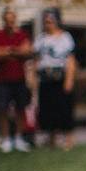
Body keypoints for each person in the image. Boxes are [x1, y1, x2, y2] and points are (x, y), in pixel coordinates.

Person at [34, 9, 77, 150]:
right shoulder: (41, 39)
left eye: (50, 21)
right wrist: (33, 77)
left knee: (64, 108)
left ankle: (68, 139)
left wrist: (69, 79)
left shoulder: (65, 37)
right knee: (48, 108)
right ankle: (51, 138)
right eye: (46, 22)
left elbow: (70, 59)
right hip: (45, 78)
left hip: (60, 76)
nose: (48, 24)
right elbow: (36, 59)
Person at [0, 8, 32, 153]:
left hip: (19, 78)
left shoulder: (22, 35)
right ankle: (6, 139)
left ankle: (19, 138)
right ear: (4, 21)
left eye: (12, 20)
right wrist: (15, 51)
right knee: (3, 109)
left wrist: (7, 51)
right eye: (7, 20)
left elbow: (27, 51)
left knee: (21, 108)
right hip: (2, 80)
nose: (10, 23)